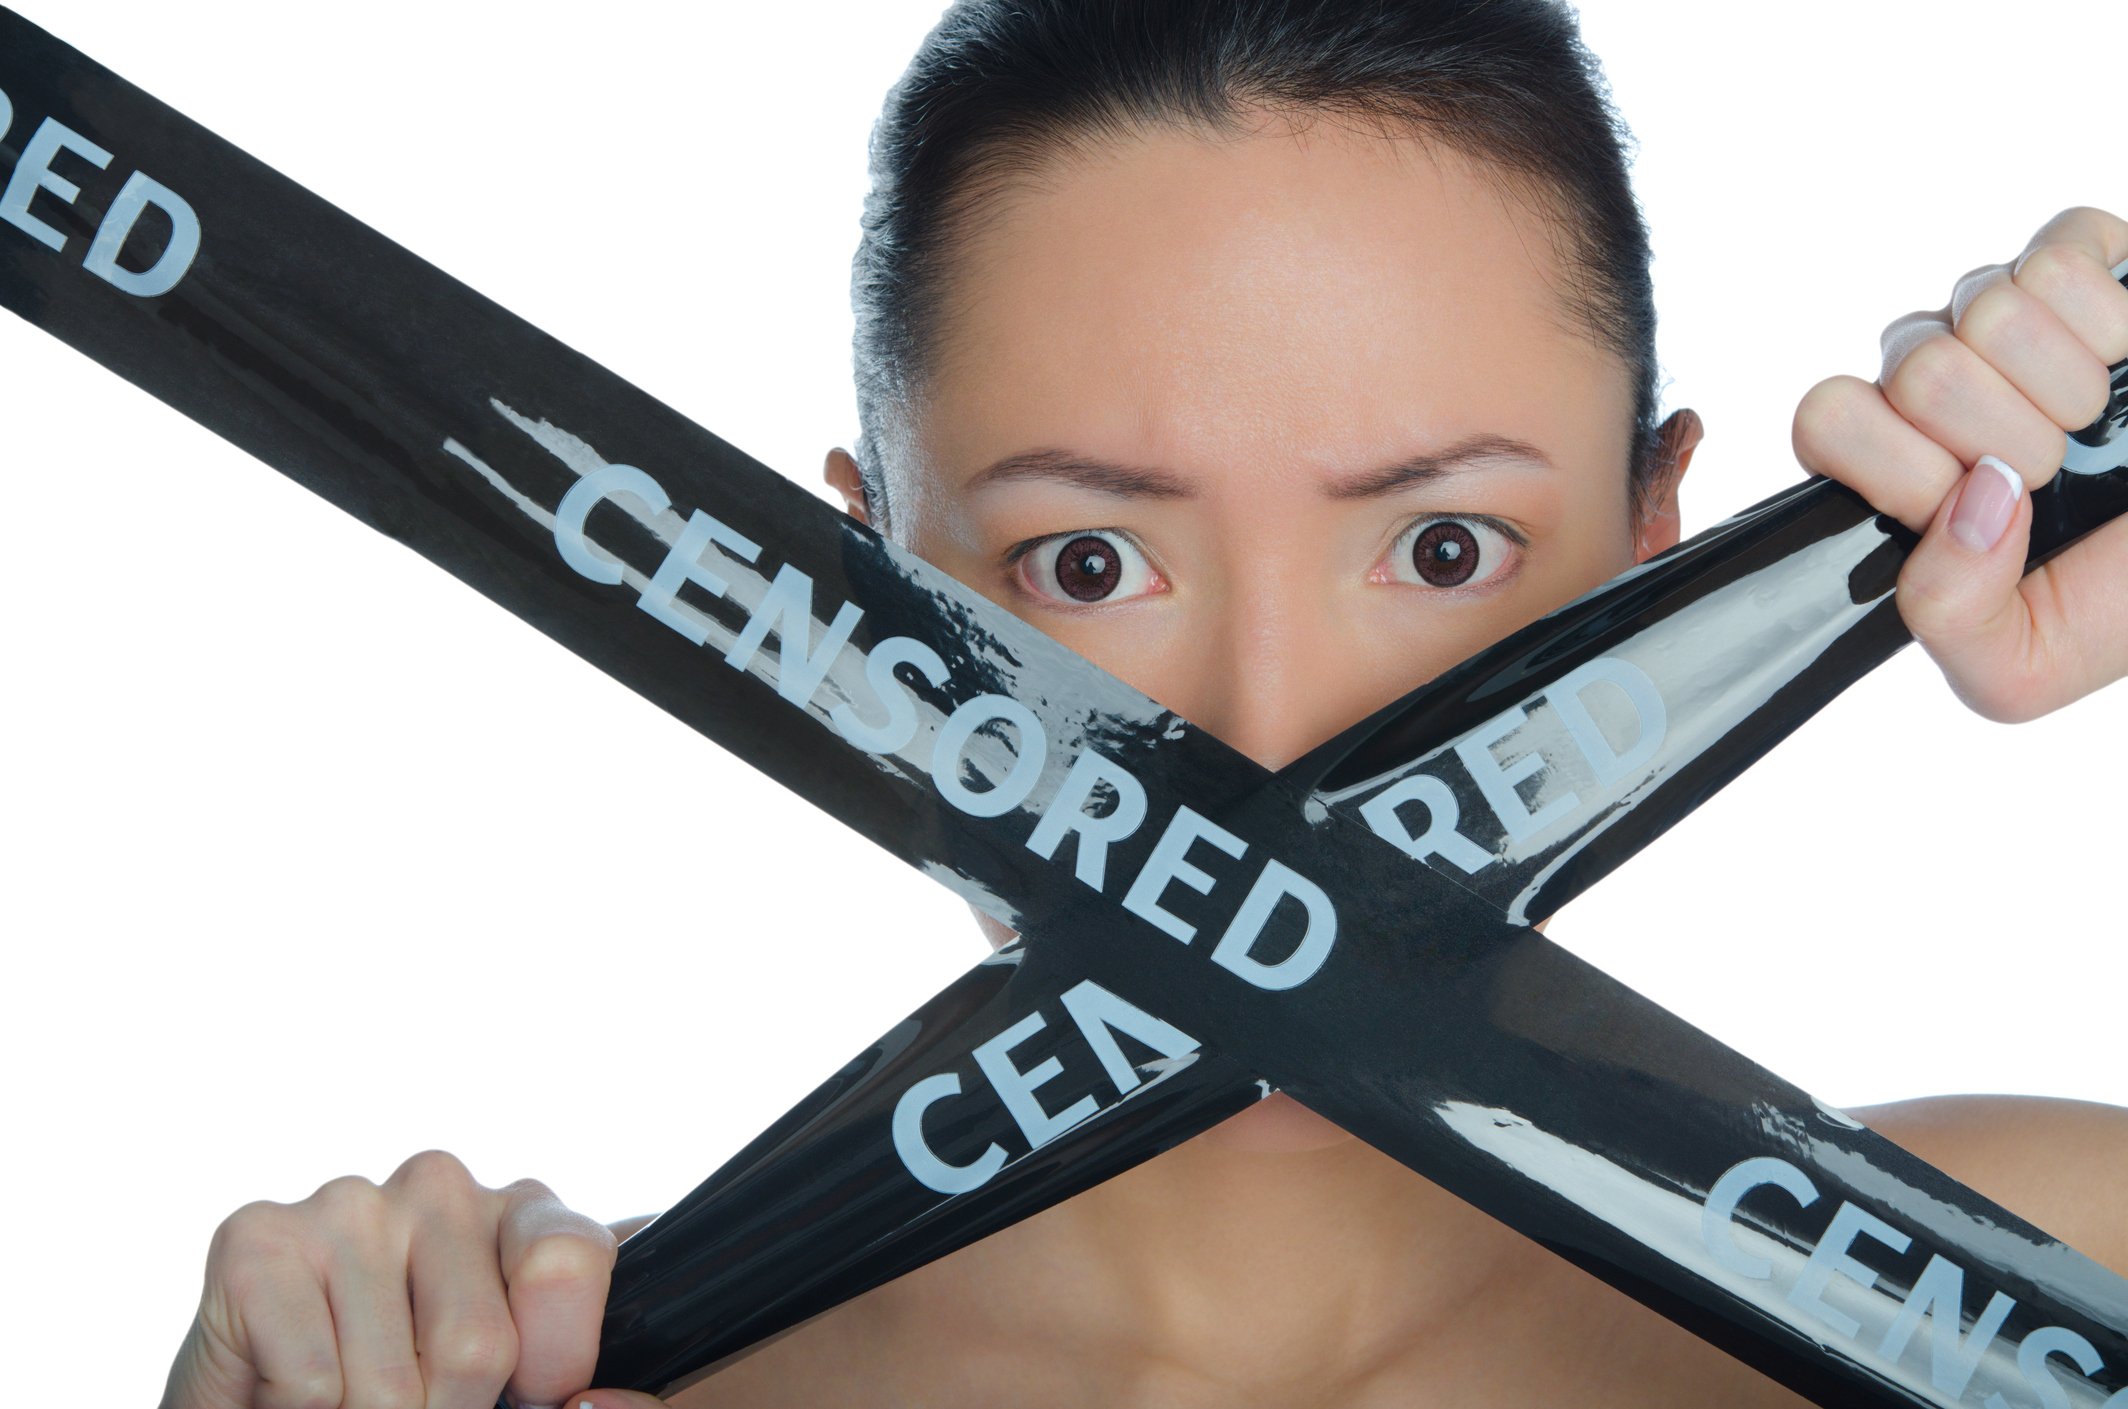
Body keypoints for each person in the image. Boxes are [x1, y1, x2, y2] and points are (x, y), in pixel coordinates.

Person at [158, 2, 2128, 1406]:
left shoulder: (2079, 1265)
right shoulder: (579, 1377)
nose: (1264, 739)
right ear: (856, 592)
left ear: (1652, 542)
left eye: (1438, 549)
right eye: (1082, 567)